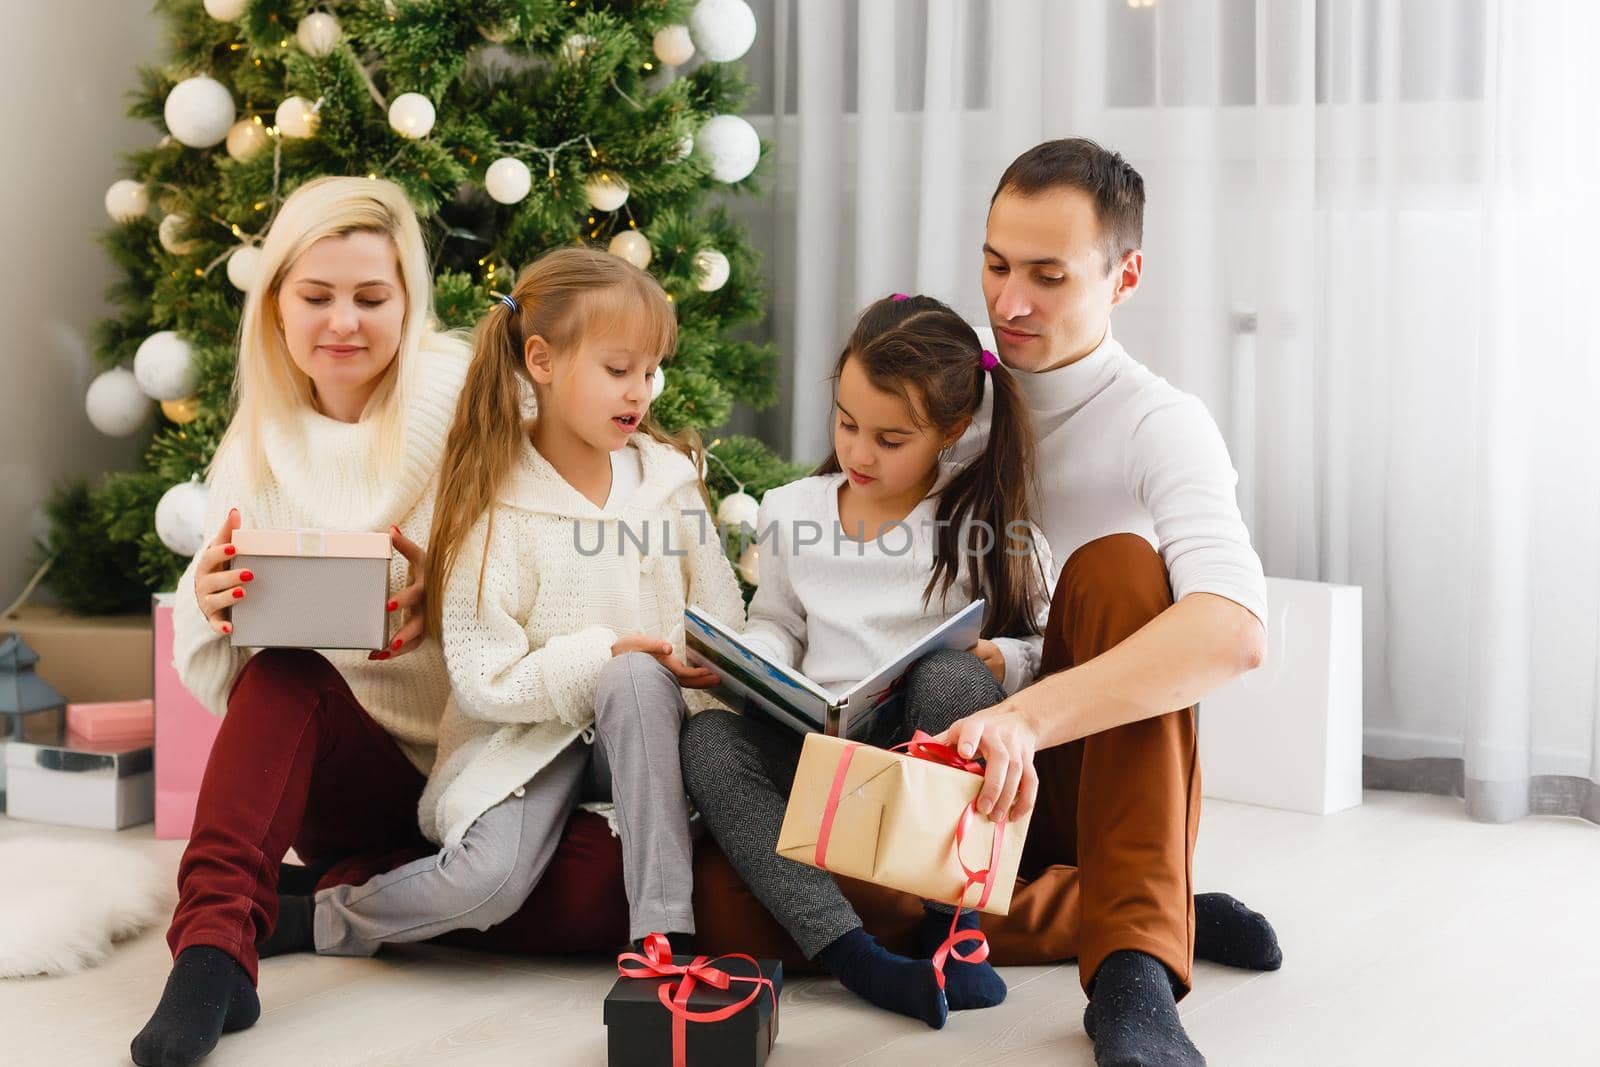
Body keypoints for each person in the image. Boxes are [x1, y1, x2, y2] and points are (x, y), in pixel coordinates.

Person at [285, 247, 748, 962]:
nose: (641, 394)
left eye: (651, 372)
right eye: (619, 370)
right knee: (488, 882)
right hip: (533, 736)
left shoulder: (667, 481)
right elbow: (483, 676)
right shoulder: (494, 502)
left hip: (657, 727)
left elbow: (724, 622)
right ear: (542, 360)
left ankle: (665, 934)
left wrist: (700, 683)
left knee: (633, 678)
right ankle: (317, 919)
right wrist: (602, 655)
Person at [936, 137, 1283, 1067]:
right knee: (751, 900)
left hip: (1100, 778)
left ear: (1124, 276)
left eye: (1047, 276)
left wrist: (1026, 715)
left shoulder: (1159, 421)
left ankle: (1132, 966)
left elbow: (1234, 629)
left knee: (1124, 567)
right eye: (996, 264)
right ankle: (1142, 901)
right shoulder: (946, 399)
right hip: (962, 761)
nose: (1009, 303)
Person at [132, 176, 470, 1067]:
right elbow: (219, 671)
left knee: (594, 888)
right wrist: (212, 606)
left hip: (472, 773)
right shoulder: (258, 434)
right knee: (280, 669)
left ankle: (316, 902)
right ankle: (210, 957)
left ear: (410, 301)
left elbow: (546, 570)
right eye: (315, 296)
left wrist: (450, 593)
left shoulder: (473, 400)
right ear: (276, 303)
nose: (343, 324)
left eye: (371, 297)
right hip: (341, 772)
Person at [682, 293, 1054, 1030]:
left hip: (919, 766)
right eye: (847, 424)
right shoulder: (793, 509)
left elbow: (1048, 650)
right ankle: (855, 954)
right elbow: (778, 622)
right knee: (709, 740)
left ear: (949, 432)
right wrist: (744, 663)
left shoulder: (983, 524)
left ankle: (955, 929)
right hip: (818, 761)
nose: (858, 452)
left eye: (890, 438)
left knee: (952, 679)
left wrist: (1002, 661)